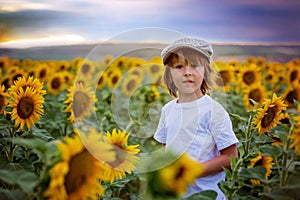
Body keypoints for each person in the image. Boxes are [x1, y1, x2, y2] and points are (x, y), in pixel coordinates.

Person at [153, 37, 239, 199]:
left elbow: (230, 157)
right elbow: (166, 148)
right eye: (179, 66)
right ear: (169, 75)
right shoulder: (168, 110)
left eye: (195, 65)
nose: (187, 72)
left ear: (206, 71)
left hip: (206, 194)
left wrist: (193, 171)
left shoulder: (213, 111)